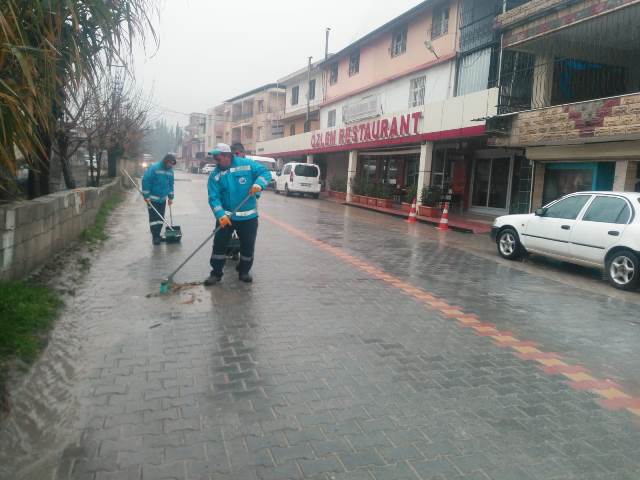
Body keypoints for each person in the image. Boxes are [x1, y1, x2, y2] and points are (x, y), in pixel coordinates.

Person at [205, 143, 271, 284]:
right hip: (226, 218)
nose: (215, 161)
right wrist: (220, 215)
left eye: (218, 158)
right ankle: (216, 273)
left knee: (247, 246)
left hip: (249, 218)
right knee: (219, 245)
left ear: (227, 156)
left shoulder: (247, 164)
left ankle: (244, 272)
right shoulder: (215, 175)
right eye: (215, 158)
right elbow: (213, 198)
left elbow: (265, 173)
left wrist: (258, 184)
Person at [142, 153, 176, 245]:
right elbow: (146, 181)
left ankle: (158, 235)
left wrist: (170, 197)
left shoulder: (170, 171)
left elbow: (170, 184)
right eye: (170, 163)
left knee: (160, 218)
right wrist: (146, 196)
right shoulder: (154, 168)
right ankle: (155, 237)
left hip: (162, 199)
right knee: (154, 220)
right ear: (166, 161)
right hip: (152, 199)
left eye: (172, 164)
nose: (171, 165)